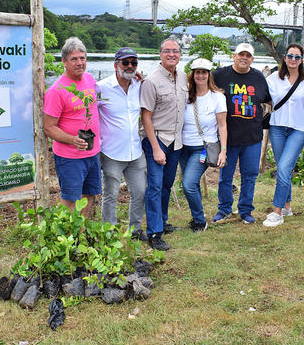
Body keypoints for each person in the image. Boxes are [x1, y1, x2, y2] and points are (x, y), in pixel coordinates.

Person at [211, 43, 271, 224]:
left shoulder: (259, 77)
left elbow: (268, 101)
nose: (244, 58)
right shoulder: (220, 75)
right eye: (240, 54)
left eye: (248, 55)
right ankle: (224, 209)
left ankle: (245, 210)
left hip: (252, 137)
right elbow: (200, 86)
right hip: (228, 137)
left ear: (252, 59)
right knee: (225, 176)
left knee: (250, 175)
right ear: (233, 56)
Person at [44, 37, 100, 218]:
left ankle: (81, 235)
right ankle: (65, 239)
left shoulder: (90, 79)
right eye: (74, 59)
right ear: (64, 62)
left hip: (92, 152)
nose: (79, 63)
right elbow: (49, 128)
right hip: (70, 156)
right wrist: (72, 140)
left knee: (90, 194)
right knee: (70, 198)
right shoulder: (56, 90)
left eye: (82, 58)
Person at [140, 38, 188, 250]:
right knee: (155, 186)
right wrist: (156, 147)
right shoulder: (151, 81)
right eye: (167, 51)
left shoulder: (184, 77)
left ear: (180, 54)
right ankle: (154, 233)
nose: (171, 54)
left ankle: (163, 221)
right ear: (160, 54)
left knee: (167, 184)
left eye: (175, 51)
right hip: (157, 139)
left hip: (176, 140)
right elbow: (146, 116)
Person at [96, 47, 147, 241]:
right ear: (115, 65)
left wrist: (140, 78)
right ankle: (109, 232)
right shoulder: (101, 87)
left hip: (135, 151)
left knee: (140, 192)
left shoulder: (138, 85)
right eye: (125, 62)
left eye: (134, 63)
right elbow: (88, 113)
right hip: (111, 152)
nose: (130, 66)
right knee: (111, 195)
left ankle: (135, 230)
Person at [262, 43, 304, 227]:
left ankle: (277, 211)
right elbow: (264, 96)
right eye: (290, 56)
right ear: (284, 58)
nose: (293, 60)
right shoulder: (273, 79)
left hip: (299, 129)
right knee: (283, 167)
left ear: (302, 60)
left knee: (283, 168)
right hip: (277, 127)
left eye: (297, 57)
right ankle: (287, 206)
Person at [179, 58, 227, 232]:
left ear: (209, 75)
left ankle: (200, 221)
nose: (200, 75)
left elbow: (222, 126)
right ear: (193, 74)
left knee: (188, 184)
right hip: (184, 147)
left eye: (204, 72)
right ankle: (196, 218)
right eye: (197, 72)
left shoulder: (217, 97)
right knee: (193, 185)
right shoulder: (185, 95)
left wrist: (223, 151)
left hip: (203, 148)